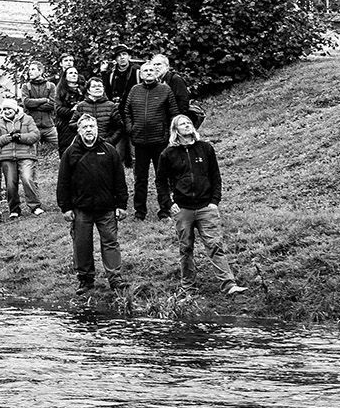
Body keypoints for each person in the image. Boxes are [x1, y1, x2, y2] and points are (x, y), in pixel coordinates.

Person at [160, 114, 243, 293]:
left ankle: (228, 284)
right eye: (183, 124)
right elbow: (161, 182)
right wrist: (168, 203)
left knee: (215, 245)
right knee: (186, 248)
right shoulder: (168, 154)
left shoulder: (206, 148)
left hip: (206, 207)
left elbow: (215, 176)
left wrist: (214, 201)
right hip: (183, 208)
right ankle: (188, 288)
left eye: (189, 122)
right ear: (176, 130)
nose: (187, 125)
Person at [57, 113, 128, 294]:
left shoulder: (110, 150)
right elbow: (63, 182)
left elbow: (120, 179)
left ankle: (115, 279)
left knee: (110, 242)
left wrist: (121, 204)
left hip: (106, 208)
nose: (89, 130)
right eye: (85, 127)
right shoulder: (70, 153)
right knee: (82, 244)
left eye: (92, 126)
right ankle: (86, 280)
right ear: (79, 131)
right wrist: (65, 208)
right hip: (81, 209)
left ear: (97, 129)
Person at [122, 57, 180, 220]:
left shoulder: (165, 90)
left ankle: (164, 210)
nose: (148, 72)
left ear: (156, 74)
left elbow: (173, 114)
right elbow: (127, 112)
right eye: (145, 70)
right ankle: (140, 212)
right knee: (140, 178)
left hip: (160, 141)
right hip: (139, 142)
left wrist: (169, 135)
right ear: (140, 74)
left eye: (151, 70)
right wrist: (131, 129)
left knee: (162, 177)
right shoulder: (134, 90)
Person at [0, 98, 43, 217]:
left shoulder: (27, 119)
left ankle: (35, 206)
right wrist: (8, 138)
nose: (7, 111)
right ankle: (14, 209)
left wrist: (20, 137)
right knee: (10, 184)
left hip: (26, 155)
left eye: (9, 109)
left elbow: (35, 135)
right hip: (7, 157)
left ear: (15, 108)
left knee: (27, 179)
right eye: (5, 109)